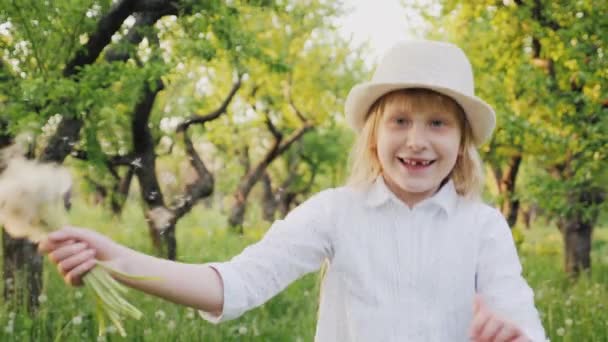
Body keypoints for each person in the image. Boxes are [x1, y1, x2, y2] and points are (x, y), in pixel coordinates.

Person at [39, 40, 546, 341]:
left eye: (438, 123)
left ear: (461, 143)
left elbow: (519, 319)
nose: (416, 140)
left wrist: (511, 336)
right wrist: (118, 259)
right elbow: (233, 285)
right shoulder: (335, 213)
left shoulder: (482, 227)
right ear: (374, 135)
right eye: (399, 120)